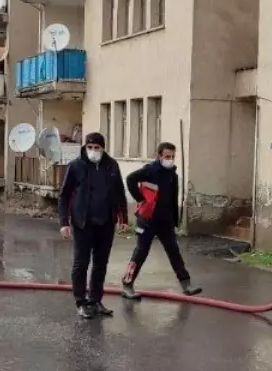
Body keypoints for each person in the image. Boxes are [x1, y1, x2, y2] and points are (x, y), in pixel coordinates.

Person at [120, 142, 202, 301]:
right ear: (159, 156)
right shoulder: (150, 170)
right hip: (147, 220)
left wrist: (174, 221)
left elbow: (172, 199)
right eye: (167, 157)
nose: (170, 160)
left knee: (174, 252)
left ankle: (186, 284)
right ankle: (127, 285)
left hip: (165, 221)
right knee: (140, 253)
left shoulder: (173, 175)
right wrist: (140, 199)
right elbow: (130, 179)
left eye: (172, 157)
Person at [59, 132, 128, 320]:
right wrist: (64, 222)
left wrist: (123, 218)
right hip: (83, 223)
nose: (93, 151)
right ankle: (81, 302)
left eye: (97, 148)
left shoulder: (112, 165)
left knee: (100, 264)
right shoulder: (76, 166)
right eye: (90, 147)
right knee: (81, 263)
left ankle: (95, 300)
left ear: (103, 148)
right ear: (85, 147)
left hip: (106, 222)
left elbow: (119, 193)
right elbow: (64, 196)